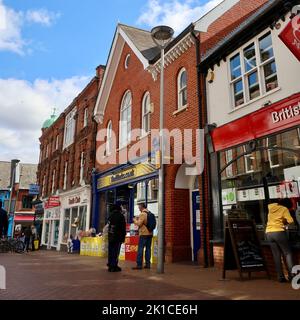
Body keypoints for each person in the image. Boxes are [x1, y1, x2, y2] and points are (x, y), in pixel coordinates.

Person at [265, 199, 295, 282]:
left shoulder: (271, 208)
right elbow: (291, 221)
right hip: (278, 232)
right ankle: (292, 276)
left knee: (276, 255)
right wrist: (286, 224)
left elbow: (274, 219)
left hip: (268, 233)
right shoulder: (284, 209)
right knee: (288, 253)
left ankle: (280, 277)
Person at [132, 203, 153, 270]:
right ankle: (147, 264)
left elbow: (139, 224)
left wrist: (134, 220)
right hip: (150, 233)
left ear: (141, 207)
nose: (138, 208)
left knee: (140, 249)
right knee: (148, 249)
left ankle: (139, 265)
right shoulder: (149, 213)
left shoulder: (142, 214)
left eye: (139, 207)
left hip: (144, 234)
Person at [107, 204, 126, 272]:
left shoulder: (110, 216)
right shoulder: (121, 216)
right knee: (116, 252)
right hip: (118, 237)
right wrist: (123, 237)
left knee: (110, 251)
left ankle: (110, 264)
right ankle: (114, 266)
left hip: (111, 236)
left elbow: (108, 227)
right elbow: (123, 228)